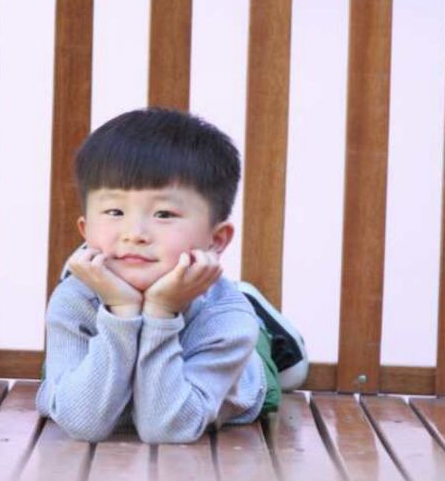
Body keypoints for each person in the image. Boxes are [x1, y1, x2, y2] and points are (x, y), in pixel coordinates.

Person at [36, 108, 307, 444]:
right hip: (102, 353)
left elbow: (167, 428)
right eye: (115, 212)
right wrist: (121, 310)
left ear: (216, 240)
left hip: (225, 374)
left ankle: (259, 315)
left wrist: (162, 312)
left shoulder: (226, 317)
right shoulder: (74, 299)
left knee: (278, 370)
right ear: (86, 230)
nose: (134, 234)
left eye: (164, 214)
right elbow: (82, 422)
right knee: (62, 382)